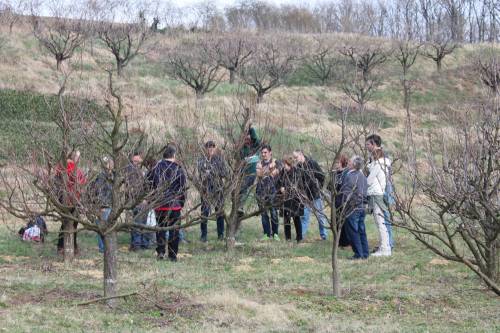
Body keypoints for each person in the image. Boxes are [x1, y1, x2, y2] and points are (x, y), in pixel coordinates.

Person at [148, 145, 187, 262]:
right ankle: (173, 255)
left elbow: (148, 184)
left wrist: (152, 200)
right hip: (174, 205)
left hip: (159, 204)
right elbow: (183, 188)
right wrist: (181, 203)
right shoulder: (178, 169)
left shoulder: (155, 168)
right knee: (174, 230)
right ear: (174, 155)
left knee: (160, 229)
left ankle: (160, 252)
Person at [366, 134, 395, 251]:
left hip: (383, 188)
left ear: (374, 144)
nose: (366, 146)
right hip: (379, 188)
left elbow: (382, 176)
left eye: (368, 144)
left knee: (384, 217)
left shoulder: (381, 156)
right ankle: (385, 242)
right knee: (382, 218)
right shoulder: (373, 156)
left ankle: (388, 243)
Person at [55, 150, 86, 256]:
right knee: (71, 224)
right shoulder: (71, 167)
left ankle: (67, 247)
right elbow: (80, 180)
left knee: (66, 224)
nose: (79, 159)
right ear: (74, 157)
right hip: (71, 200)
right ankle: (66, 247)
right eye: (78, 157)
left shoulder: (61, 166)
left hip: (63, 199)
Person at [293, 150, 328, 240]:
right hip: (304, 197)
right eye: (294, 158)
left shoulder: (312, 163)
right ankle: (301, 236)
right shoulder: (298, 167)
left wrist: (320, 188)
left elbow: (321, 176)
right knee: (304, 216)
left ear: (301, 155)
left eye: (296, 157)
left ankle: (324, 235)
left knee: (320, 216)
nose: (295, 159)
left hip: (315, 194)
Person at [197, 141, 227, 242]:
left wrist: (212, 171)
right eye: (208, 147)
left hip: (218, 188)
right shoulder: (201, 160)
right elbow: (200, 172)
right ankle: (204, 235)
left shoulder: (220, 159)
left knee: (219, 211)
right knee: (204, 211)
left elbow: (224, 173)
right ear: (205, 149)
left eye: (212, 147)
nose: (210, 149)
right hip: (205, 188)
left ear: (215, 148)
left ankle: (220, 234)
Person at [341, 155, 369, 260]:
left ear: (353, 164)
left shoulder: (350, 176)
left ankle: (358, 254)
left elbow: (347, 193)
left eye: (350, 161)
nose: (348, 162)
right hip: (362, 206)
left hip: (353, 207)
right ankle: (365, 253)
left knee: (353, 231)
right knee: (361, 230)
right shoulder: (362, 175)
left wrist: (345, 205)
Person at [125, 152, 150, 251]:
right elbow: (132, 187)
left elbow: (148, 185)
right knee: (137, 223)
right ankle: (137, 245)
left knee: (142, 223)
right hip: (135, 201)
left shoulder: (145, 170)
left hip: (144, 201)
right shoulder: (130, 169)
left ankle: (142, 244)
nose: (136, 162)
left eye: (138, 160)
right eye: (134, 160)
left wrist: (147, 199)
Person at [88, 157, 114, 253]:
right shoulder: (101, 176)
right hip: (103, 206)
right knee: (102, 228)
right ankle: (102, 248)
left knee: (108, 228)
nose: (112, 165)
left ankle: (106, 247)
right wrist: (100, 206)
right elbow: (98, 191)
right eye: (110, 163)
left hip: (110, 205)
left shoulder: (112, 176)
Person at [256, 144, 281, 240]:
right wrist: (270, 169)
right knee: (264, 213)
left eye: (265, 152)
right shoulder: (259, 163)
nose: (263, 154)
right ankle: (266, 234)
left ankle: (275, 234)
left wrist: (269, 169)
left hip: (272, 191)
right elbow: (259, 174)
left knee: (274, 213)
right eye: (262, 152)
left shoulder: (276, 161)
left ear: (270, 152)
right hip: (261, 191)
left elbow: (278, 170)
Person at [276, 155, 304, 243]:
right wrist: (280, 188)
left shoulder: (296, 172)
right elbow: (278, 182)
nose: (283, 166)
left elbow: (298, 186)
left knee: (296, 218)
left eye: (284, 164)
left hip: (295, 199)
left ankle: (299, 237)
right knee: (286, 218)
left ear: (288, 164)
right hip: (285, 199)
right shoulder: (282, 172)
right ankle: (288, 238)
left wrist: (287, 189)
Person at [238, 125, 261, 217]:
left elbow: (256, 139)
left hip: (253, 173)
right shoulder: (242, 148)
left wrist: (251, 128)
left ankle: (242, 207)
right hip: (244, 173)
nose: (247, 140)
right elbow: (240, 158)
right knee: (241, 190)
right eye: (245, 138)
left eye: (248, 138)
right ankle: (240, 208)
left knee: (246, 188)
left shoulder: (254, 146)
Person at [330, 154, 351, 247]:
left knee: (343, 222)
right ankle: (338, 241)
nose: (336, 164)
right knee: (336, 221)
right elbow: (330, 186)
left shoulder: (347, 173)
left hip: (343, 200)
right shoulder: (335, 173)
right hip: (336, 201)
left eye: (338, 162)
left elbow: (346, 187)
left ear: (342, 162)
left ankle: (345, 242)